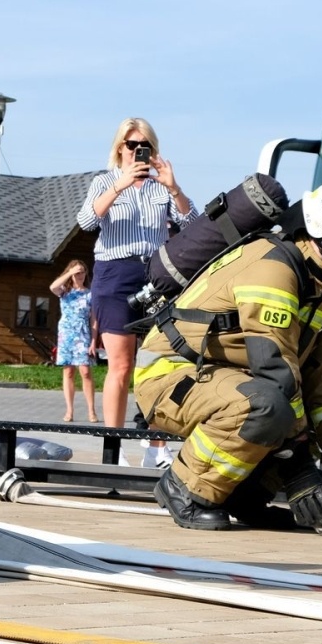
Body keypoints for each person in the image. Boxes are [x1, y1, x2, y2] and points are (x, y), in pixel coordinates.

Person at [132, 171, 322, 531]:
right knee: (268, 407)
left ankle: (242, 496)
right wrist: (300, 470)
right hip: (170, 374)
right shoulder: (272, 268)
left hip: (228, 379)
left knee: (296, 412)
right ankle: (184, 488)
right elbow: (274, 368)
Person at [75, 119, 196, 437]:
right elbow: (86, 221)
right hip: (115, 274)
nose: (138, 151)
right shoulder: (105, 181)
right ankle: (112, 445)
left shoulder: (160, 187)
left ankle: (154, 445)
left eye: (146, 146)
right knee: (121, 364)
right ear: (120, 148)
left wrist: (174, 187)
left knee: (160, 362)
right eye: (132, 145)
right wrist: (120, 186)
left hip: (156, 273)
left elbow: (192, 222)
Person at [50, 259, 100, 424]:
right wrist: (70, 272)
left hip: (83, 333)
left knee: (85, 371)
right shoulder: (64, 291)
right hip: (66, 333)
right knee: (68, 371)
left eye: (82, 272)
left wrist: (94, 341)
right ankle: (69, 410)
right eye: (77, 273)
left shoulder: (90, 294)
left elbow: (94, 319)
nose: (80, 275)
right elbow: (53, 287)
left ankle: (91, 410)